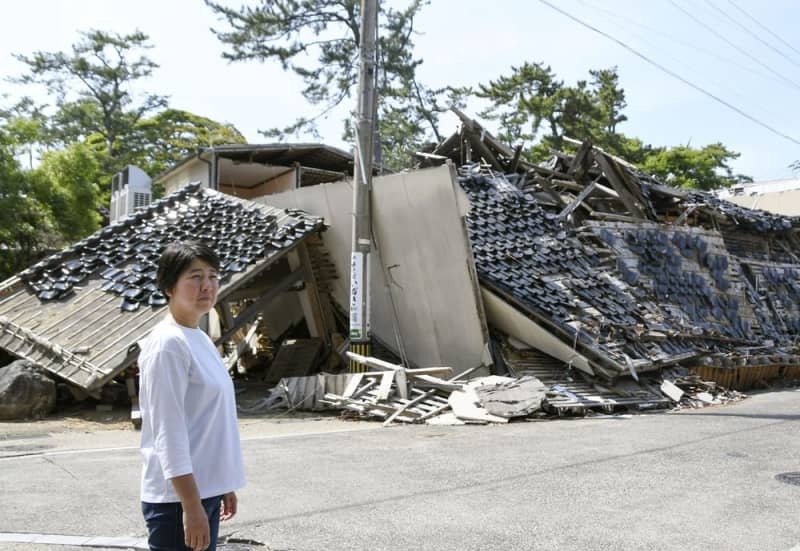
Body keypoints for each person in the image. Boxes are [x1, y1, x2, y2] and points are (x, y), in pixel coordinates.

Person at [138, 241, 245, 551]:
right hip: (177, 501)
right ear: (169, 286)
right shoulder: (167, 344)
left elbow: (210, 420)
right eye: (195, 276)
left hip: (202, 492)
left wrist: (222, 482)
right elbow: (168, 432)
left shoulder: (198, 337)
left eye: (213, 276)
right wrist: (191, 505)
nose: (207, 286)